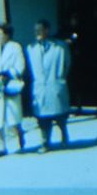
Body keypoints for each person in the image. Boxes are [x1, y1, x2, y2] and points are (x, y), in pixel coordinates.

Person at [0, 23, 26, 157]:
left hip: (10, 85)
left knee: (13, 117)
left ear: (7, 35)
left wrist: (8, 74)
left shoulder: (15, 47)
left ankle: (19, 137)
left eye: (0, 34)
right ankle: (3, 147)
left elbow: (20, 66)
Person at [27, 19, 71, 151]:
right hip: (40, 87)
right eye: (35, 31)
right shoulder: (31, 48)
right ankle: (45, 142)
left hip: (55, 84)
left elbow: (67, 64)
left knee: (60, 116)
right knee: (42, 118)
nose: (37, 33)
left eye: (40, 30)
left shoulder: (60, 46)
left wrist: (60, 78)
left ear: (47, 30)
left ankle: (64, 136)